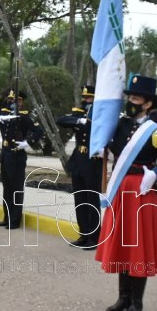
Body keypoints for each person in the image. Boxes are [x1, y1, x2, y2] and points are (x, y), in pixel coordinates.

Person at [96, 74, 157, 311]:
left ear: (148, 102)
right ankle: (123, 298)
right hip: (122, 187)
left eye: (136, 98)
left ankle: (137, 302)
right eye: (130, 97)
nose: (131, 101)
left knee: (137, 246)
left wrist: (155, 174)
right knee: (123, 243)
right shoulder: (122, 124)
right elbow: (112, 147)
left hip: (141, 190)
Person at [56, 85, 102, 249]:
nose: (86, 100)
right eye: (85, 98)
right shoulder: (80, 113)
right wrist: (80, 120)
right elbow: (61, 120)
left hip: (93, 160)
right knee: (80, 199)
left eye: (89, 98)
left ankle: (94, 237)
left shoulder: (101, 114)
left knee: (91, 199)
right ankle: (83, 234)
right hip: (78, 160)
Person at [0, 89, 43, 229]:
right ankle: (7, 216)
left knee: (16, 188)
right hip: (6, 154)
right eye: (11, 100)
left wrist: (28, 143)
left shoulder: (24, 117)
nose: (13, 103)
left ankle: (15, 219)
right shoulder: (4, 115)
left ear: (21, 102)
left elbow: (39, 131)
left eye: (16, 100)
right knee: (7, 188)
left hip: (17, 155)